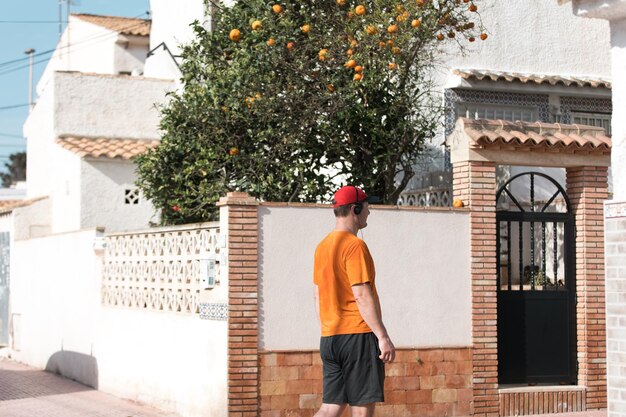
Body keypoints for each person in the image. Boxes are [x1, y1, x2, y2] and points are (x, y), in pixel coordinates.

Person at [313, 185, 396, 417]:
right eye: (367, 206)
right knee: (361, 409)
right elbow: (360, 293)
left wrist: (329, 328)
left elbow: (317, 294)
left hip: (330, 338)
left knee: (331, 407)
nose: (369, 211)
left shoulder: (322, 247)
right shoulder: (354, 246)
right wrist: (382, 337)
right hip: (357, 338)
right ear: (355, 208)